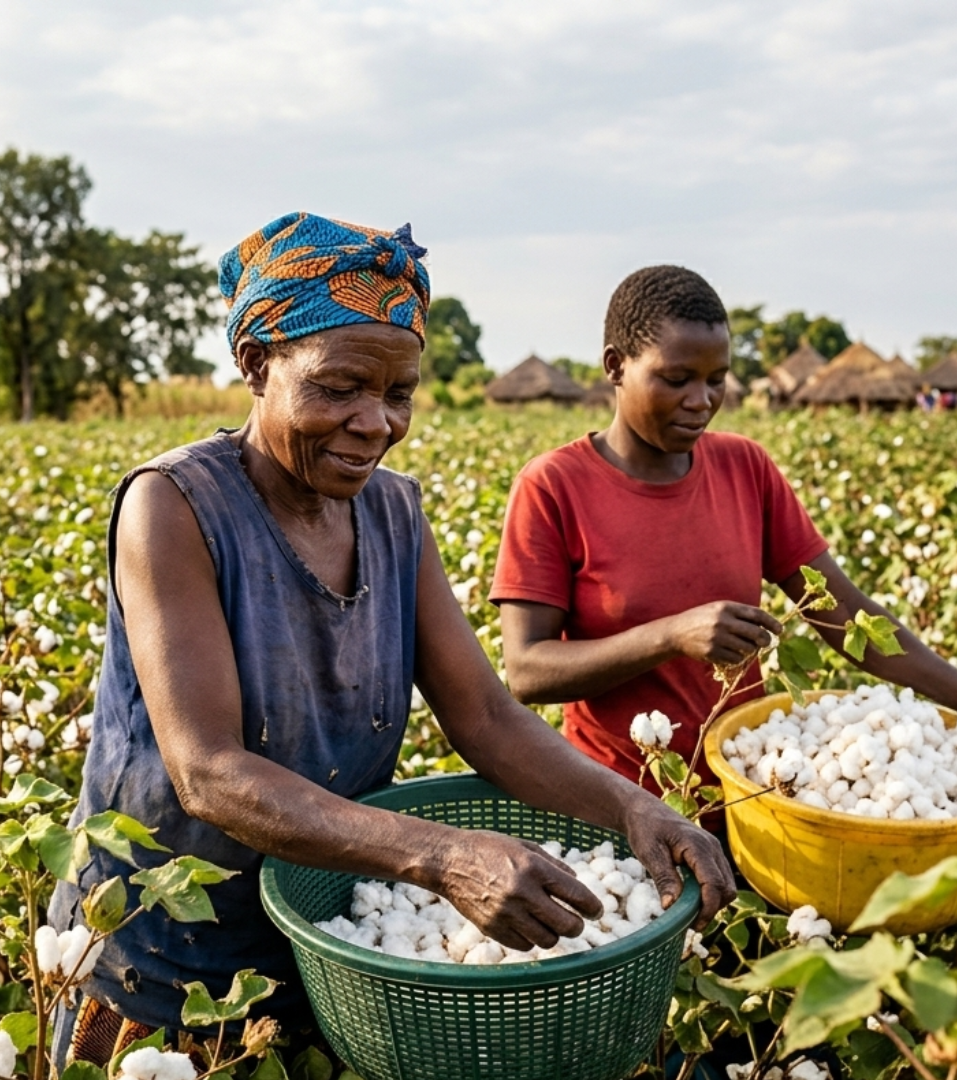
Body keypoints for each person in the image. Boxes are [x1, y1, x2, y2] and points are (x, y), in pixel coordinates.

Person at [49, 217, 734, 1066]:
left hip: (329, 949)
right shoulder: (175, 508)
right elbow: (207, 772)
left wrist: (634, 806)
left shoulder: (393, 512)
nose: (375, 422)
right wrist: (442, 857)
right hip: (161, 959)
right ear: (258, 364)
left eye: (399, 393)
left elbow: (483, 714)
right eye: (338, 388)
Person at [491, 265, 957, 804]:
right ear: (616, 365)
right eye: (676, 379)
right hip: (619, 802)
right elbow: (528, 670)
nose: (702, 401)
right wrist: (670, 636)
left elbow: (844, 614)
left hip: (753, 787)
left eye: (717, 380)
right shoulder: (553, 487)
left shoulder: (745, 468)